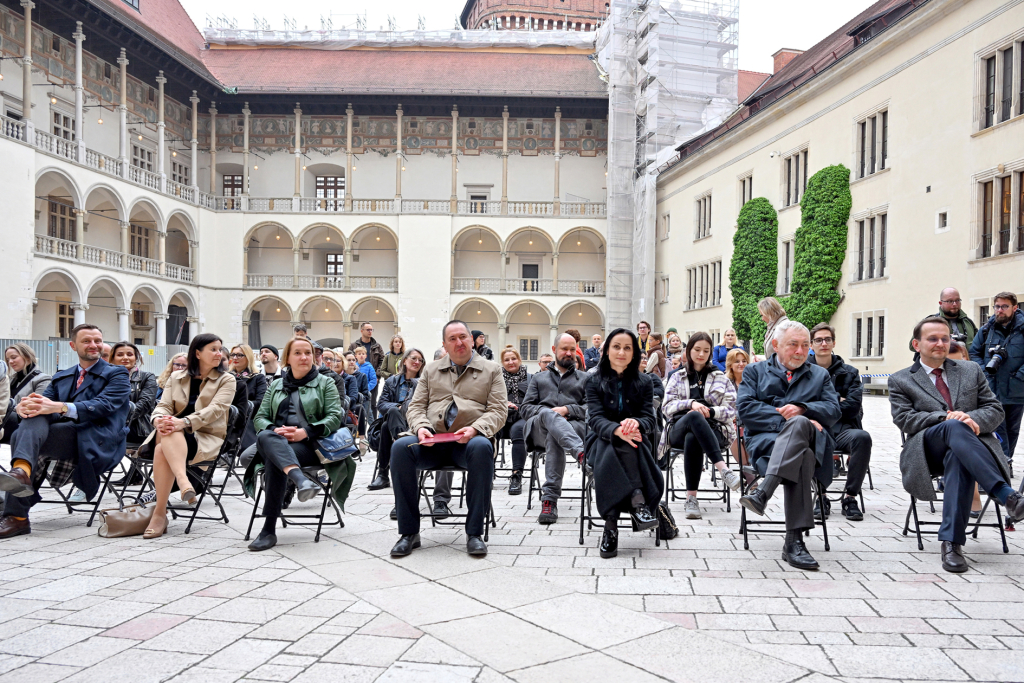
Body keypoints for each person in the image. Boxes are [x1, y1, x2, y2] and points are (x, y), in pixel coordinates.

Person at [890, 316, 1024, 573]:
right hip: (927, 451)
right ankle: (1006, 495)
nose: (940, 343)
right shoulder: (901, 379)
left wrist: (971, 418)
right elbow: (905, 419)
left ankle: (951, 544)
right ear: (917, 344)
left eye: (945, 338)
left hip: (969, 450)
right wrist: (946, 418)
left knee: (958, 457)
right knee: (953, 427)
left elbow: (995, 410)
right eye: (933, 339)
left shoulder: (970, 370)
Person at [390, 320, 507, 557]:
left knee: (482, 447)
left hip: (468, 442)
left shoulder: (492, 370)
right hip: (432, 441)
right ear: (444, 344)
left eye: (463, 336)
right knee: (401, 447)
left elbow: (498, 410)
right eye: (452, 339)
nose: (459, 342)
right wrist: (421, 427)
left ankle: (474, 533)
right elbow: (416, 407)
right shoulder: (431, 370)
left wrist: (475, 429)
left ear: (471, 340)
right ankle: (409, 533)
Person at [0, 324, 130, 538]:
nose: (94, 345)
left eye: (97, 340)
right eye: (86, 341)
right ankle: (20, 474)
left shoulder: (117, 374)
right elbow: (43, 404)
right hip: (64, 435)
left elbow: (103, 406)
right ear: (73, 345)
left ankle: (18, 511)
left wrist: (59, 407)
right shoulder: (63, 375)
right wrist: (26, 408)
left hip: (95, 437)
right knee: (34, 416)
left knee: (20, 435)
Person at [737, 320, 841, 570]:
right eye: (793, 344)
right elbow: (746, 410)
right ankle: (794, 543)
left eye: (805, 345)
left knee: (801, 428)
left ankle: (763, 492)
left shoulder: (820, 375)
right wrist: (793, 420)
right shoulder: (754, 371)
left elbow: (833, 410)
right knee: (801, 453)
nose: (800, 351)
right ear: (775, 345)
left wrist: (803, 409)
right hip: (766, 446)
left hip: (813, 446)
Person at [245, 336, 347, 551]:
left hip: (311, 445)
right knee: (267, 437)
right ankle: (300, 479)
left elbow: (334, 417)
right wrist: (275, 430)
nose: (304, 357)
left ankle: (268, 530)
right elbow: (260, 418)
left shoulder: (326, 382)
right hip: (276, 441)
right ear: (287, 359)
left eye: (308, 353)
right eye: (298, 353)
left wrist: (304, 432)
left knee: (273, 456)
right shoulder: (276, 384)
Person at [137, 334, 235, 539]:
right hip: (171, 433)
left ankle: (160, 513)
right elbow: (163, 406)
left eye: (220, 349)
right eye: (213, 349)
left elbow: (216, 409)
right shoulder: (176, 377)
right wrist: (158, 420)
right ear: (197, 353)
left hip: (205, 436)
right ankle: (183, 482)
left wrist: (184, 422)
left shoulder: (226, 379)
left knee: (162, 446)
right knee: (168, 430)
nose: (219, 354)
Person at [586, 328, 662, 559]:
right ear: (607, 350)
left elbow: (650, 419)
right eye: (616, 347)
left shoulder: (645, 381)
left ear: (634, 353)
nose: (621, 352)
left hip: (635, 440)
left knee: (625, 445)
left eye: (627, 348)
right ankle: (638, 503)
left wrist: (635, 423)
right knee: (615, 446)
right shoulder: (593, 380)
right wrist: (617, 430)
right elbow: (595, 419)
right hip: (600, 441)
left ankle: (610, 527)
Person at [660, 332, 741, 519]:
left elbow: (732, 410)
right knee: (694, 417)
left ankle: (691, 499)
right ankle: (723, 470)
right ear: (689, 350)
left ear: (711, 352)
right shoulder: (676, 376)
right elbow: (667, 407)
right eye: (697, 349)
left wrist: (710, 412)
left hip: (714, 430)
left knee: (693, 436)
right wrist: (691, 404)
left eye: (706, 350)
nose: (701, 354)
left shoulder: (720, 377)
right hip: (678, 429)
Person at [519, 334, 588, 523]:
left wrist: (568, 410)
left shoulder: (585, 378)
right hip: (538, 430)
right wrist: (549, 413)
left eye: (572, 350)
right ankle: (581, 454)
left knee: (554, 434)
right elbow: (525, 409)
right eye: (565, 349)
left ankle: (549, 500)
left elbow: (592, 408)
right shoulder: (538, 378)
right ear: (554, 349)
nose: (569, 353)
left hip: (573, 428)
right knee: (548, 418)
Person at [807, 324, 870, 521]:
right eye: (818, 340)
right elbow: (802, 404)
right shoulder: (803, 370)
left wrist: (821, 403)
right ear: (811, 344)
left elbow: (853, 407)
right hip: (817, 428)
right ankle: (821, 496)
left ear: (834, 343)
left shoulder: (850, 372)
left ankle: (850, 498)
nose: (823, 343)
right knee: (814, 437)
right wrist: (836, 399)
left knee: (863, 438)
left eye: (827, 339)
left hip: (845, 429)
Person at [969, 292, 1024, 464]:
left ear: (1014, 308)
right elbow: (974, 353)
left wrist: (1020, 375)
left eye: (1004, 306)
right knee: (997, 427)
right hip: (992, 388)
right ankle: (1003, 462)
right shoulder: (987, 330)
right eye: (997, 306)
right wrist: (984, 373)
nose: (1000, 310)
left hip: (1017, 389)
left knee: (1012, 429)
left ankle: (1007, 460)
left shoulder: (1022, 330)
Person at [369, 349, 426, 509]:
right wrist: (399, 407)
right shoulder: (392, 381)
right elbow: (381, 404)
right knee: (392, 414)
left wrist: (404, 409)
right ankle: (400, 444)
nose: (417, 362)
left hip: (415, 424)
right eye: (414, 358)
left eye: (420, 360)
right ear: (404, 361)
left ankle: (383, 472)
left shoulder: (424, 382)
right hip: (395, 421)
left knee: (386, 427)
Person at [2, 344, 52, 444]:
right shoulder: (10, 380)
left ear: (28, 357)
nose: (10, 362)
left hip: (24, 423)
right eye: (8, 359)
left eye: (14, 357)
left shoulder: (43, 379)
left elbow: (37, 406)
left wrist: (11, 407)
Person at [500, 346, 532, 496]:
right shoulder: (496, 378)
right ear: (502, 362)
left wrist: (520, 406)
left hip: (521, 416)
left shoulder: (531, 378)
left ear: (519, 360)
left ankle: (516, 475)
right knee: (488, 432)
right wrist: (503, 403)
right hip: (501, 416)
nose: (510, 362)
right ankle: (487, 472)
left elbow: (535, 399)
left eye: (513, 358)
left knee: (519, 430)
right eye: (506, 360)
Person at [228, 344, 269, 452]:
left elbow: (261, 401)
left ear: (248, 357)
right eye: (233, 355)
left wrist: (242, 406)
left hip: (248, 419)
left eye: (239, 355)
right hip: (226, 418)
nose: (235, 358)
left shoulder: (258, 377)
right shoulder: (226, 377)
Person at [725, 347, 752, 476]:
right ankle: (748, 474)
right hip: (731, 420)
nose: (741, 364)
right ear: (730, 364)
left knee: (750, 432)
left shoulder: (752, 381)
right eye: (737, 361)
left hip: (749, 419)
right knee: (732, 433)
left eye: (744, 361)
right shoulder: (725, 382)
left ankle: (748, 472)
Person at [349, 322, 385, 415]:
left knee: (372, 403)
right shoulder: (353, 346)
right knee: (356, 403)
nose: (370, 331)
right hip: (356, 380)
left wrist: (377, 375)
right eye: (368, 329)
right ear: (362, 331)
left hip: (372, 379)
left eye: (371, 330)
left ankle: (373, 423)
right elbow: (348, 360)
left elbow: (382, 361)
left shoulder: (377, 346)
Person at [353, 346, 378, 422]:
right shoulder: (354, 366)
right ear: (356, 356)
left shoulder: (369, 366)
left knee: (368, 413)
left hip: (365, 394)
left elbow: (373, 380)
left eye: (363, 354)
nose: (361, 355)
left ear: (366, 356)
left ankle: (373, 428)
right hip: (355, 393)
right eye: (359, 354)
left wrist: (366, 388)